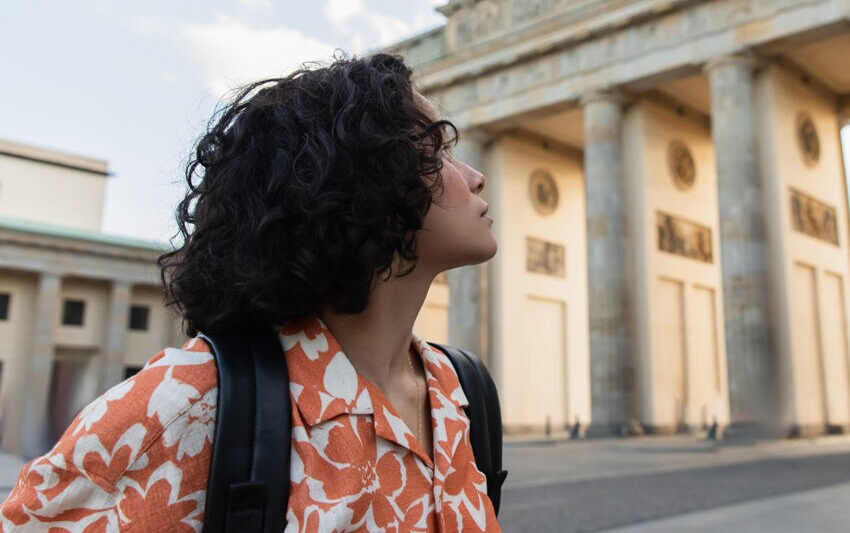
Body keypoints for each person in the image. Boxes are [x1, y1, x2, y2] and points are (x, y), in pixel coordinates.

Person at [0, 53, 501, 532]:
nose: (475, 178)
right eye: (435, 153)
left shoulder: (461, 391)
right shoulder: (188, 403)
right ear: (362, 183)